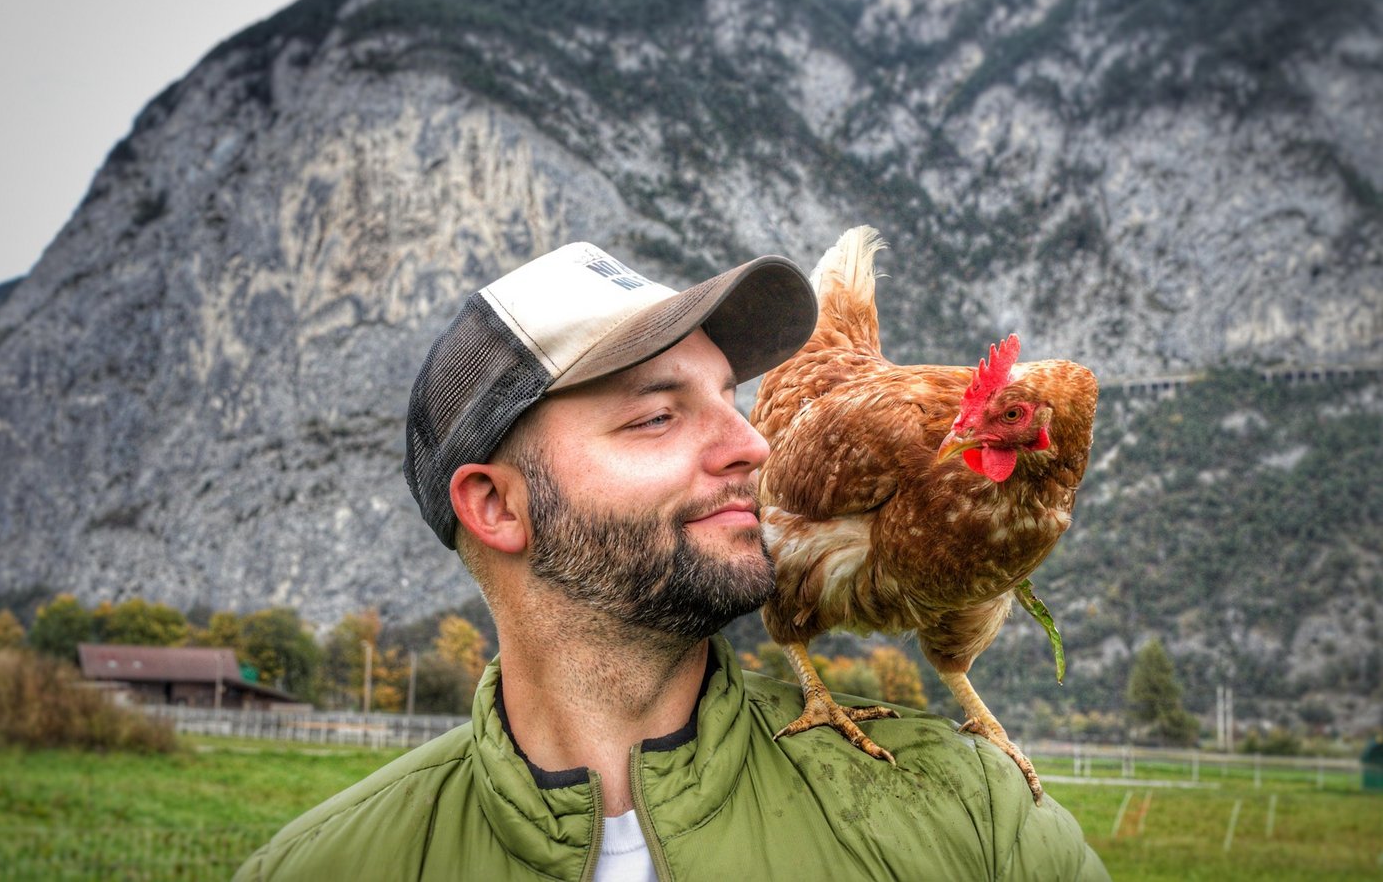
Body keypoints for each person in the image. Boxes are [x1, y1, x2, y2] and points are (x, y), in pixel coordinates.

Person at [236, 241, 1108, 881]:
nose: (754, 446)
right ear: (497, 505)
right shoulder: (324, 866)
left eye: (729, 400)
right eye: (657, 416)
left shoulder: (974, 818)